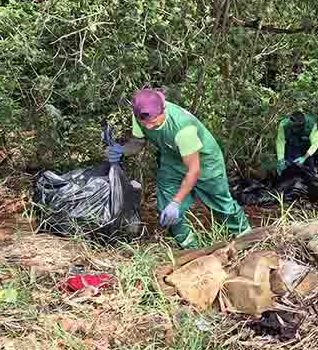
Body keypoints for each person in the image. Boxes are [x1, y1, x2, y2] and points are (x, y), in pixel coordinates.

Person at [106, 89, 250, 248]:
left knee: (221, 203)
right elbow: (138, 142)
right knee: (165, 206)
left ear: (163, 110)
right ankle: (190, 247)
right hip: (172, 160)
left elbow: (194, 170)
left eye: (153, 121)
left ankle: (247, 237)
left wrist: (176, 202)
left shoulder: (182, 129)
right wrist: (123, 150)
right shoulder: (140, 115)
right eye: (144, 123)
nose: (149, 126)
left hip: (205, 163)